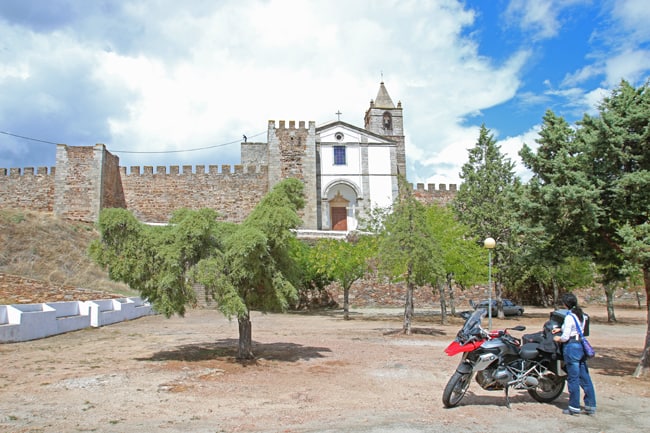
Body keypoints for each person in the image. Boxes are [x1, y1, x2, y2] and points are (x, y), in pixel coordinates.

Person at [553, 293, 597, 415]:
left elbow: (565, 337)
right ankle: (590, 405)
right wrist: (561, 329)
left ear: (565, 304)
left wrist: (558, 338)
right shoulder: (581, 315)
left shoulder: (568, 317)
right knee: (585, 377)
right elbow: (577, 328)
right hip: (580, 347)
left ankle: (574, 407)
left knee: (573, 378)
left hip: (571, 348)